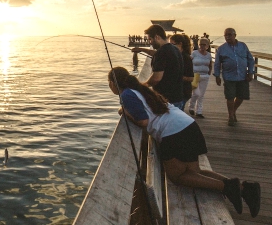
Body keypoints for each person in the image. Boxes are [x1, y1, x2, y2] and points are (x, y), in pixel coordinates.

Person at [108, 66, 261, 218]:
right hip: (187, 125)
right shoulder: (139, 88)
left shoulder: (127, 94)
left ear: (113, 83)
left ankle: (228, 187)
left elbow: (143, 120)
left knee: (177, 177)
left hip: (174, 133)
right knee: (194, 172)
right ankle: (245, 189)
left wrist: (125, 112)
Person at [132, 24, 184, 109]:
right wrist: (142, 49)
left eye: (150, 39)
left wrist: (142, 86)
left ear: (156, 37)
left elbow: (156, 78)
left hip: (166, 99)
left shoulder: (162, 52)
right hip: (178, 97)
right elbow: (157, 54)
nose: (149, 42)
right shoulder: (174, 49)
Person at [213, 28, 255, 126]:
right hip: (229, 77)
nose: (227, 37)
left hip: (242, 76)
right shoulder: (221, 48)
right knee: (230, 96)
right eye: (225, 35)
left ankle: (233, 111)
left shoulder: (243, 46)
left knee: (241, 96)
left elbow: (250, 59)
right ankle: (231, 116)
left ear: (235, 35)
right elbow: (217, 64)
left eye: (229, 35)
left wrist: (251, 72)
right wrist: (217, 76)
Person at [189, 38, 212, 118]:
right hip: (195, 75)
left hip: (205, 76)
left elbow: (210, 65)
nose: (202, 46)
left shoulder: (209, 55)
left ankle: (199, 111)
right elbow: (189, 62)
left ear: (207, 46)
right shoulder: (194, 53)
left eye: (204, 44)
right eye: (200, 44)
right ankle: (191, 107)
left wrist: (209, 73)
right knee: (196, 93)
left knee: (201, 95)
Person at [170, 34, 194, 111]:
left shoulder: (185, 57)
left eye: (172, 44)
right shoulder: (176, 55)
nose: (170, 47)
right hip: (178, 92)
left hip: (183, 92)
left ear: (180, 44)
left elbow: (191, 78)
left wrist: (175, 76)